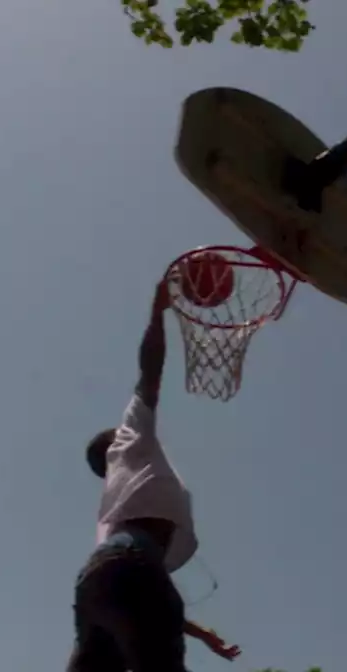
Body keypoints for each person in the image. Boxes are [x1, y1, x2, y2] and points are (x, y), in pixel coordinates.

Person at [68, 280, 242, 672]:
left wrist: (200, 634)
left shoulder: (111, 515)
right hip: (128, 567)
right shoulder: (130, 439)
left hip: (94, 584)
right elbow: (150, 374)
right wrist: (157, 312)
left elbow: (131, 593)